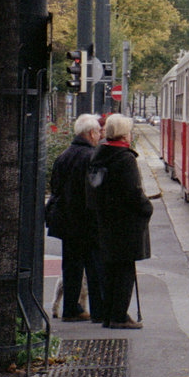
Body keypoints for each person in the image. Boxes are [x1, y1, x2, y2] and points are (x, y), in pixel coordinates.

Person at [89, 114, 153, 329]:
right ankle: (119, 316)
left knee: (109, 270)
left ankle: (109, 314)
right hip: (126, 224)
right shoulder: (125, 158)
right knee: (125, 270)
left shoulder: (99, 155)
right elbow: (134, 193)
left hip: (105, 221)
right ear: (124, 133)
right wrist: (147, 208)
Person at [48, 113, 105, 323]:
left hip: (66, 221)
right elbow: (96, 190)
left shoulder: (63, 156)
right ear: (91, 133)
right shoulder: (92, 156)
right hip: (87, 222)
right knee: (94, 266)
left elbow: (55, 188)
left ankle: (71, 308)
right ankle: (98, 311)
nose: (100, 134)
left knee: (71, 267)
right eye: (98, 131)